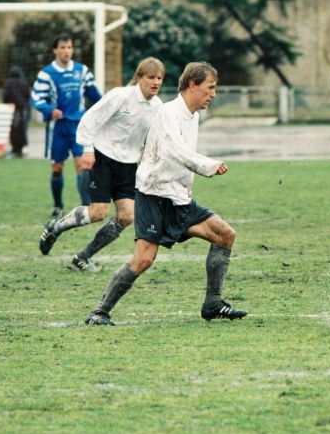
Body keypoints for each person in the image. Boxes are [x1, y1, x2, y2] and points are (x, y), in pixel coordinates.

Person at [84, 61, 247, 326]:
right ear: (192, 85)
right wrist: (208, 165)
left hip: (178, 197)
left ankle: (213, 303)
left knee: (224, 234)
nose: (213, 94)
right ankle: (99, 312)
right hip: (154, 196)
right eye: (210, 88)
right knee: (144, 259)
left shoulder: (192, 115)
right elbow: (173, 149)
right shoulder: (169, 112)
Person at [39, 58, 165, 272]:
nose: (156, 82)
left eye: (159, 78)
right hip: (103, 159)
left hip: (127, 166)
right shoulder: (120, 96)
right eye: (151, 77)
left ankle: (83, 257)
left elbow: (151, 140)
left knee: (127, 216)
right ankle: (56, 226)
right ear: (139, 78)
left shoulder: (157, 107)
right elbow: (90, 119)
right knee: (98, 212)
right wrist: (87, 149)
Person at [31, 35, 103, 219]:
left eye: (69, 47)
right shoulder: (46, 74)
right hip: (58, 129)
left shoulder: (82, 71)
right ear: (55, 50)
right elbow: (36, 98)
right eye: (63, 47)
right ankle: (57, 206)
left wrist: (105, 110)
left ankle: (86, 207)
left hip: (79, 126)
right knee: (57, 168)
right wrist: (49, 109)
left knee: (82, 165)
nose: (66, 51)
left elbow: (94, 95)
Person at [2, 66, 31, 157]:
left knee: (13, 129)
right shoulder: (23, 83)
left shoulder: (8, 83)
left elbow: (5, 97)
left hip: (12, 109)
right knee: (22, 129)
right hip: (23, 109)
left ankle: (14, 148)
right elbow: (28, 95)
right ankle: (21, 148)